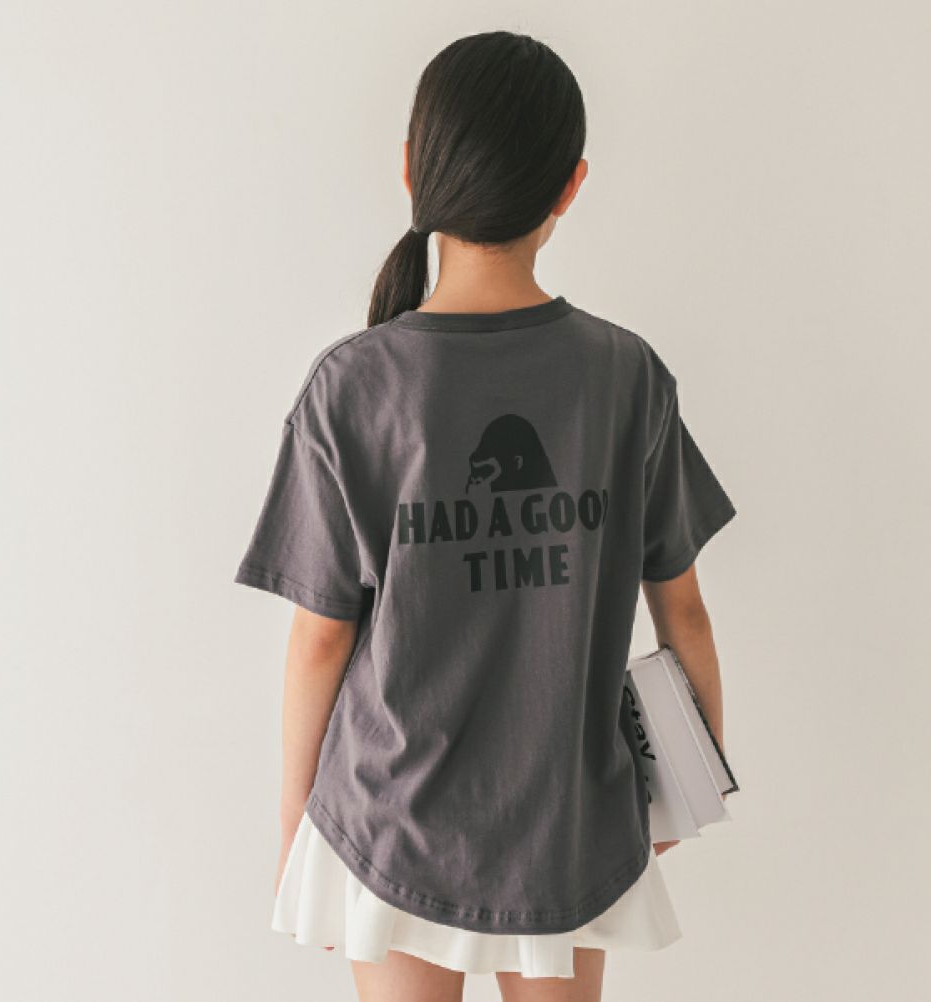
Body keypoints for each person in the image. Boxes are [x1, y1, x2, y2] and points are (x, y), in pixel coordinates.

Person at [233, 29, 737, 1002]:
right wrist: (691, 782)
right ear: (570, 186)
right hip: (567, 828)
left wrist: (297, 833)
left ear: (412, 170)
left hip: (388, 825)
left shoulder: (352, 385)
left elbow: (319, 640)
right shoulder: (624, 375)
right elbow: (685, 612)